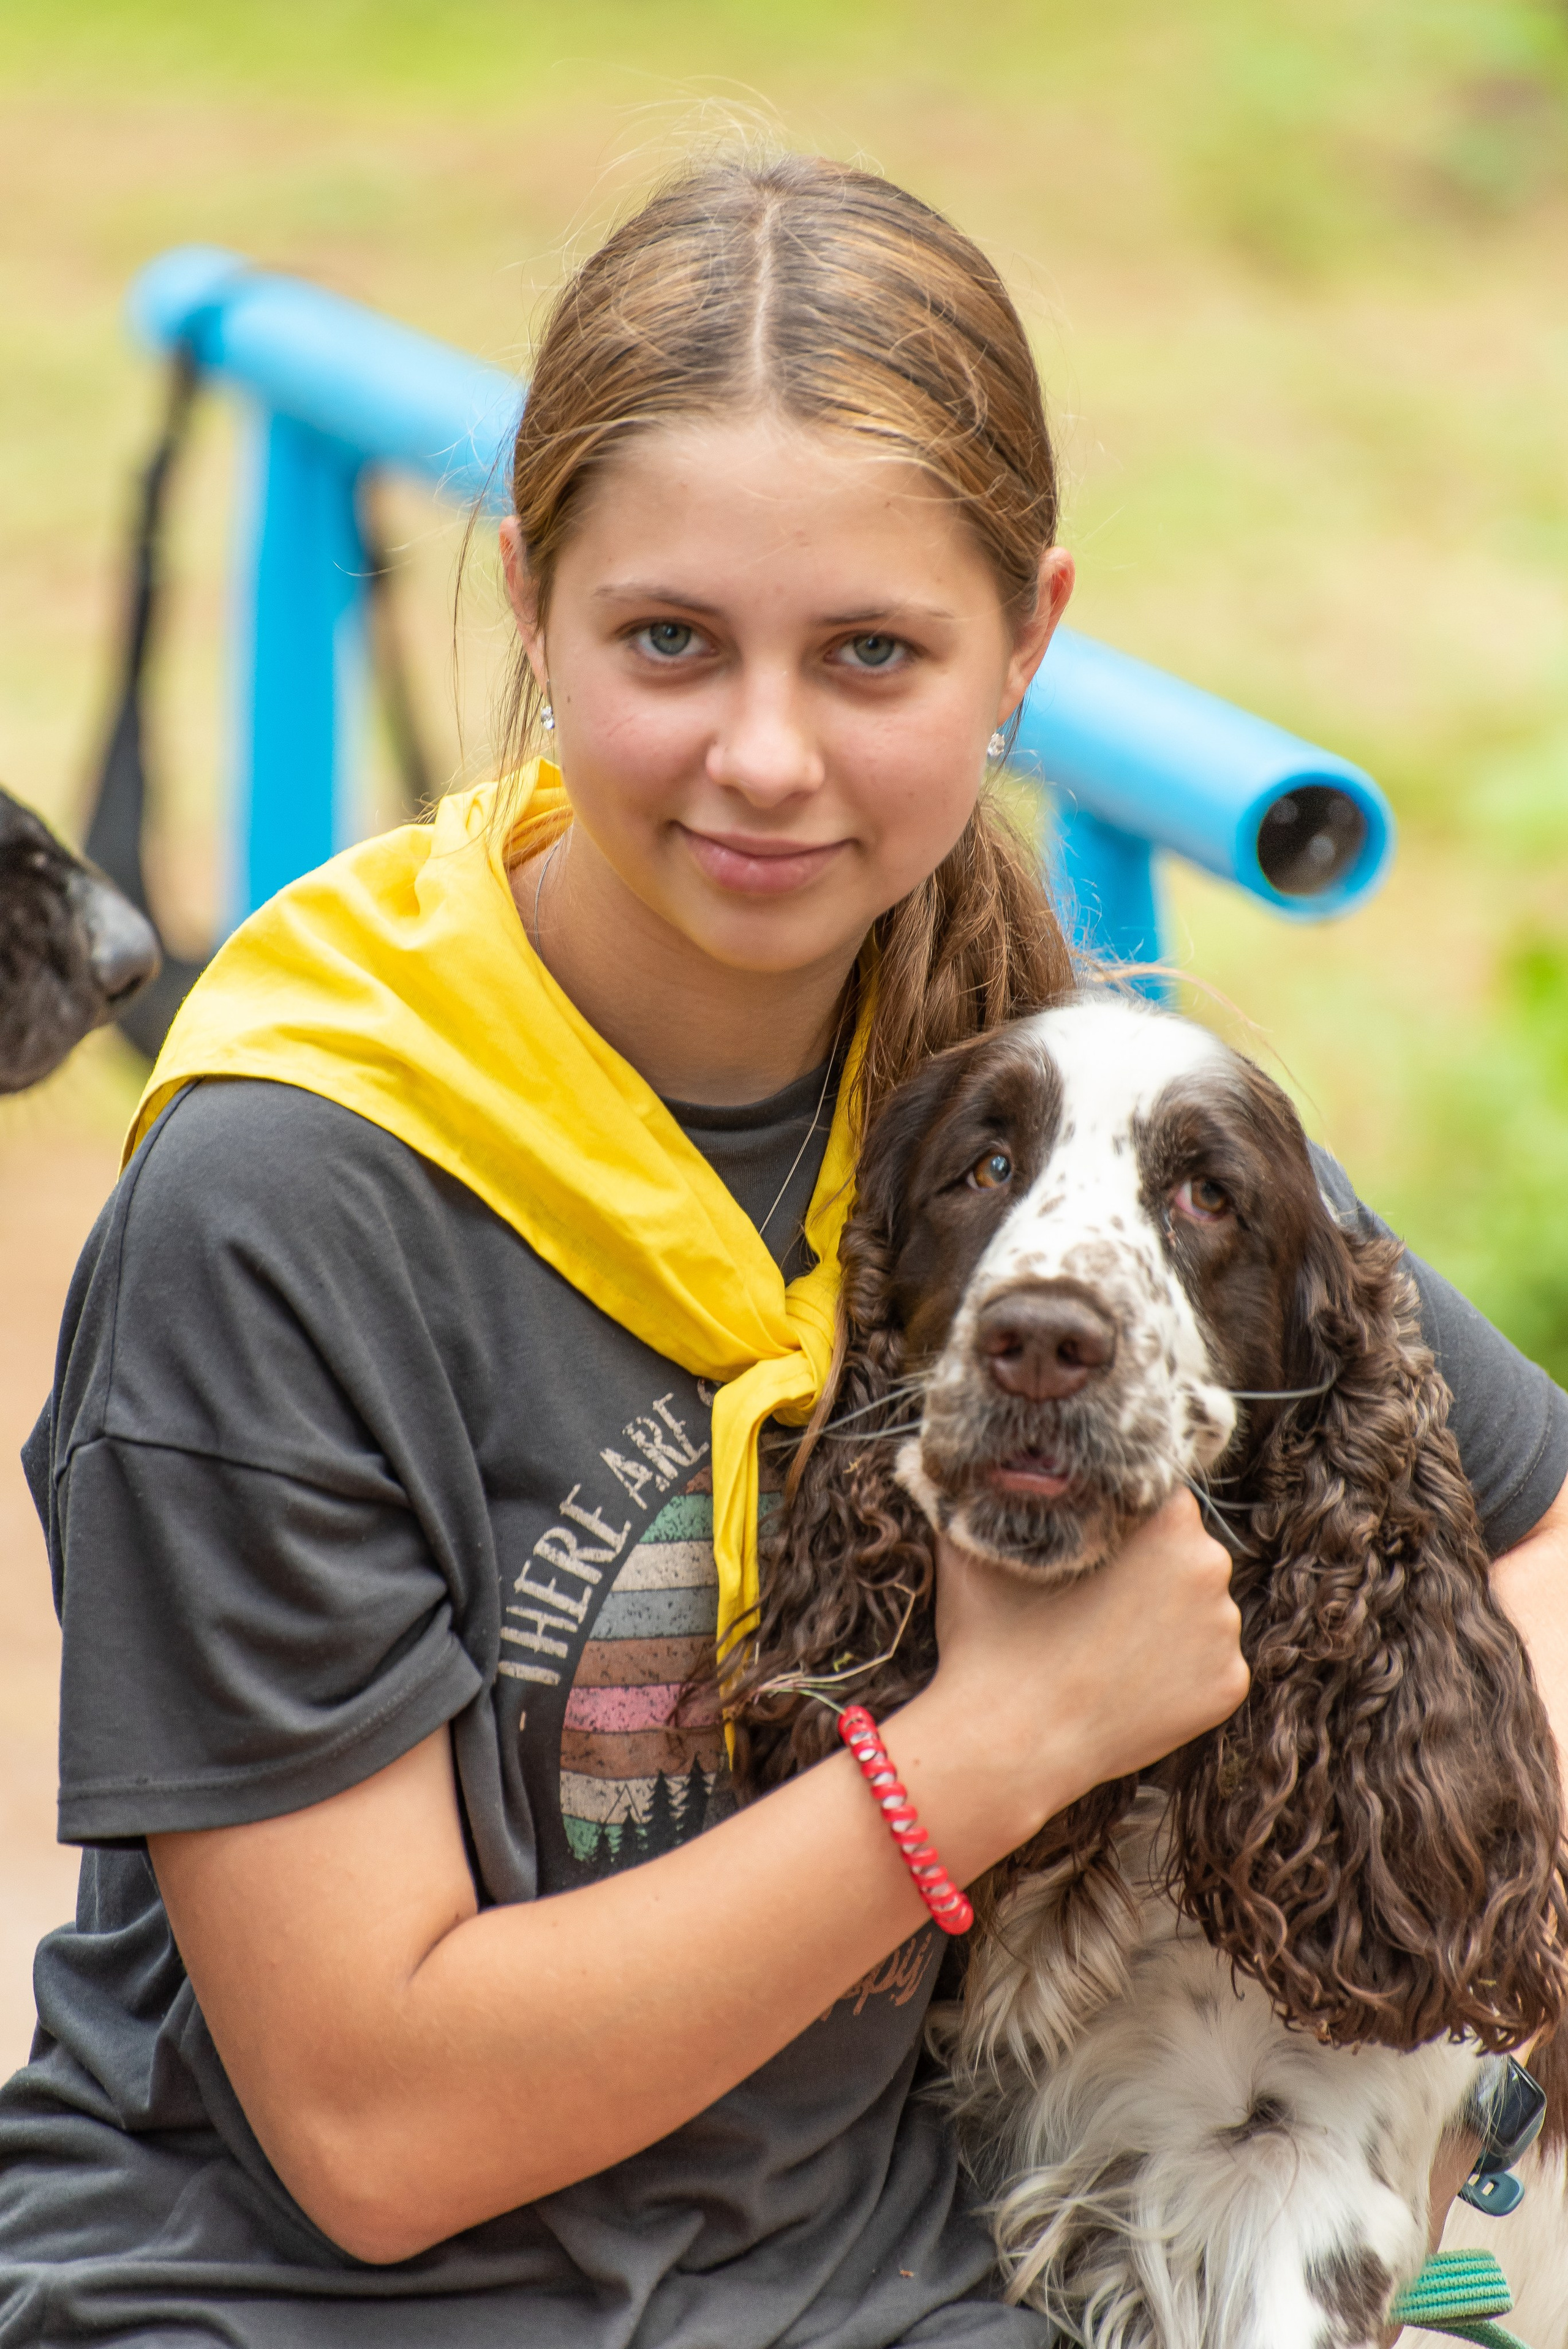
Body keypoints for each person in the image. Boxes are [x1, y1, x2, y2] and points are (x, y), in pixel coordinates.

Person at [1, 154, 1564, 2349]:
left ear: (1028, 642)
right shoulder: (291, 1190)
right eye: (669, 640)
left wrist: (1412, 2080)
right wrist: (999, 1747)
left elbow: (1522, 1510)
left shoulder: (1030, 1093)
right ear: (528, 597)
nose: (762, 756)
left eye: (871, 654)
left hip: (887, 2292)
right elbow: (373, 2127)